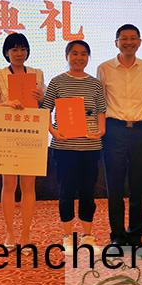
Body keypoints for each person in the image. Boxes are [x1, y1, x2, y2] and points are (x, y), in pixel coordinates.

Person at [42, 40, 106, 255]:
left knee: (88, 192)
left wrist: (101, 130)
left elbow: (101, 111)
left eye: (83, 54)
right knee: (66, 191)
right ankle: (68, 236)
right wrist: (52, 131)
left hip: (90, 146)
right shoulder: (57, 82)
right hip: (64, 147)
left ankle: (88, 236)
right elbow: (46, 110)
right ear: (67, 56)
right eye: (74, 53)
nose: (79, 58)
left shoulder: (95, 84)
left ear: (88, 57)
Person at [97, 24, 142, 248]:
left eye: (133, 38)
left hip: (141, 130)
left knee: (140, 186)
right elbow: (100, 103)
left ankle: (136, 236)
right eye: (124, 38)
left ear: (139, 42)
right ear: (116, 42)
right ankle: (117, 236)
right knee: (115, 186)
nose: (128, 42)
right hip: (114, 130)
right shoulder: (104, 68)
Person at [0, 33, 45, 250]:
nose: (19, 53)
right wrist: (7, 104)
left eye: (22, 49)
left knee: (29, 186)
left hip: (31, 133)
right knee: (9, 185)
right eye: (14, 49)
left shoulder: (37, 73)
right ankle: (10, 232)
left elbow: (43, 104)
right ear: (6, 53)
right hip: (8, 133)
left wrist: (40, 98)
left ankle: (26, 234)